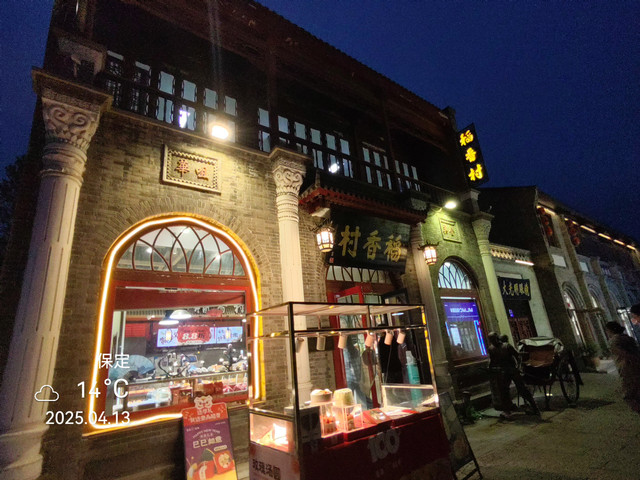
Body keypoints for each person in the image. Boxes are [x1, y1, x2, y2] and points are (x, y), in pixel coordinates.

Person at [487, 332, 540, 417]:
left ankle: (535, 407)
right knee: (503, 391)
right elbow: (492, 360)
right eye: (491, 340)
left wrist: (518, 366)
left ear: (497, 338)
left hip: (512, 370)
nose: (493, 341)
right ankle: (507, 410)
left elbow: (517, 356)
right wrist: (490, 368)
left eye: (493, 339)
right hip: (503, 372)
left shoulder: (506, 346)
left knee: (522, 389)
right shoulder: (491, 349)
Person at [604, 321, 640, 414]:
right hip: (635, 365)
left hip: (626, 367)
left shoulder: (614, 341)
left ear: (610, 330)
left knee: (629, 394)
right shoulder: (628, 338)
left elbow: (620, 353)